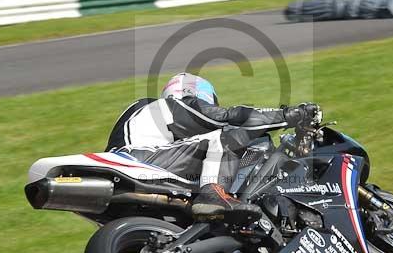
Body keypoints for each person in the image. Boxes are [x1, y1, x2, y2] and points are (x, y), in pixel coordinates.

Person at [106, 72, 320, 225]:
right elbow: (229, 118)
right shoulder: (169, 106)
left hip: (133, 169)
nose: (211, 106)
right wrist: (288, 116)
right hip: (138, 162)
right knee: (223, 137)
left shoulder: (149, 118)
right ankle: (213, 194)